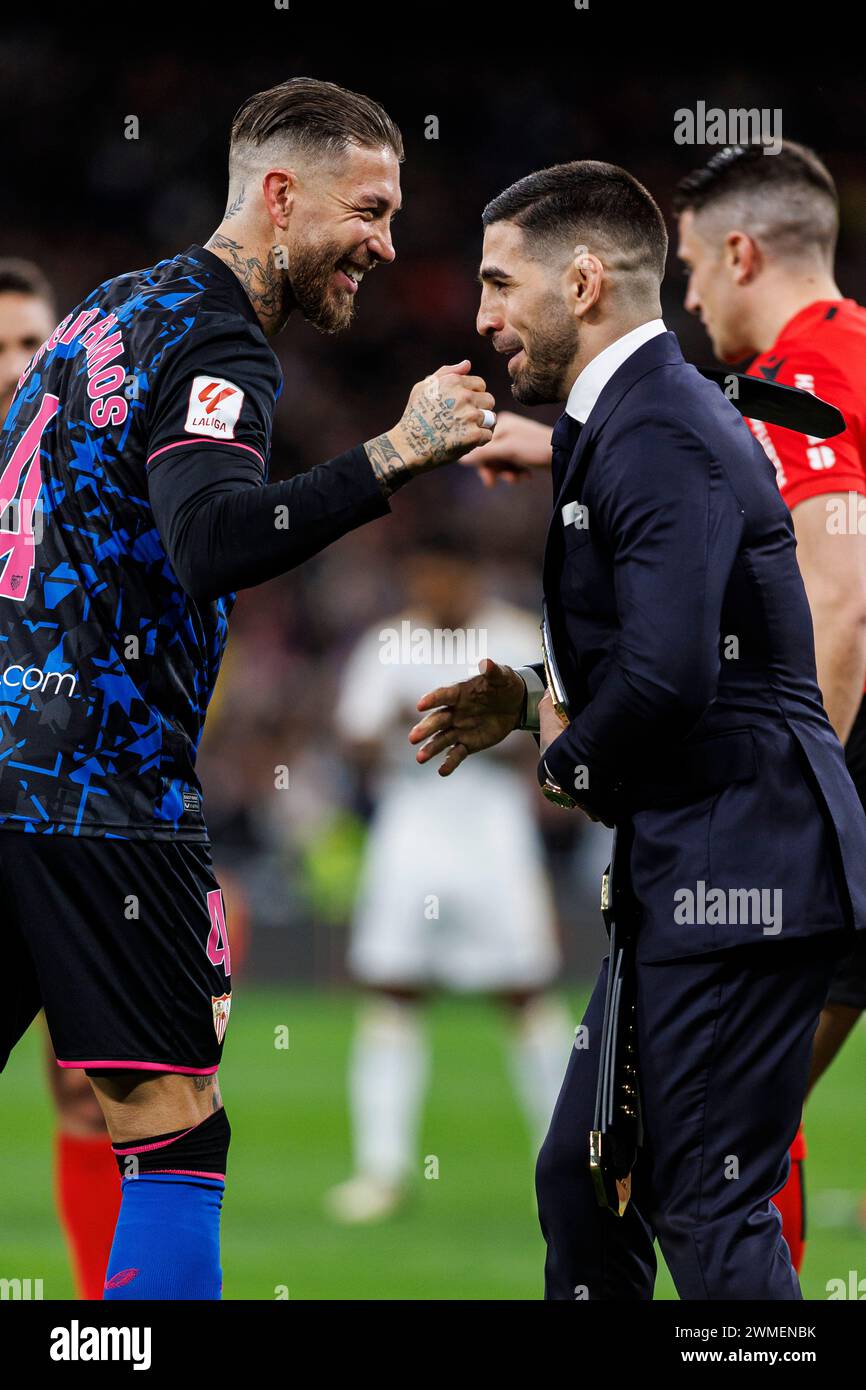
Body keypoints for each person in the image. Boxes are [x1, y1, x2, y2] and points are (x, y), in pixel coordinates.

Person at [0, 76, 493, 1300]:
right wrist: (397, 450)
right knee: (172, 1124)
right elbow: (213, 537)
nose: (384, 244)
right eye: (367, 209)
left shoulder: (106, 314)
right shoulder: (216, 338)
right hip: (97, 789)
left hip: (11, 754)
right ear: (280, 197)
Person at [410, 159, 866, 1299]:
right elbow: (663, 654)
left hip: (741, 858)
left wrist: (558, 760)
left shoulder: (658, 427)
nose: (480, 317)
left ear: (579, 282)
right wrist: (527, 697)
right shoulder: (636, 420)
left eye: (497, 283)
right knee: (583, 1173)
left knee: (697, 1186)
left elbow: (668, 679)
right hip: (707, 851)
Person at [326, 541, 570, 1223]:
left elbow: (555, 735)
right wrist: (403, 727)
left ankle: (567, 1159)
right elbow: (351, 739)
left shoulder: (516, 637)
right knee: (391, 991)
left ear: (471, 572)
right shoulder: (386, 643)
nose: (437, 583)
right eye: (425, 571)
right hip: (411, 834)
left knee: (526, 992)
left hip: (494, 836)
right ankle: (383, 1172)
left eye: (449, 570)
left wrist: (486, 733)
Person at [0, 258, 120, 1299]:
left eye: (31, 346)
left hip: (67, 809)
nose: (14, 368)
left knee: (92, 1085)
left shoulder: (91, 481)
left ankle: (96, 1320)